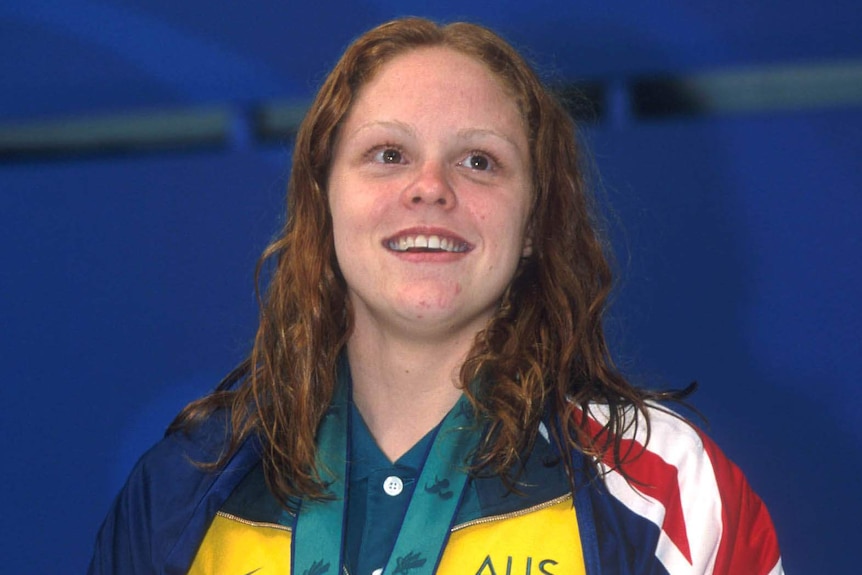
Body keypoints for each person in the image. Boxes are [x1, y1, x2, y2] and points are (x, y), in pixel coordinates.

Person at [89, 17, 783, 575]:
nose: (430, 187)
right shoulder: (183, 489)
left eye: (479, 160)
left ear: (537, 220)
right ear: (322, 199)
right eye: (388, 154)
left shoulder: (664, 488)